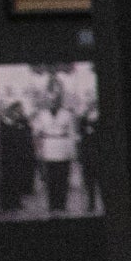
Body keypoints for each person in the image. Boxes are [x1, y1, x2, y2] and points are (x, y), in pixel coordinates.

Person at [27, 74, 84, 216]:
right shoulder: (42, 114)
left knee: (63, 178)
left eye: (56, 100)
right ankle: (53, 205)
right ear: (48, 101)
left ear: (59, 100)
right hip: (49, 148)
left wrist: (72, 152)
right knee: (50, 179)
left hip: (63, 148)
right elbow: (36, 132)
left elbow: (71, 134)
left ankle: (61, 204)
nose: (53, 102)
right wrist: (38, 150)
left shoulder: (67, 114)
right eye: (50, 100)